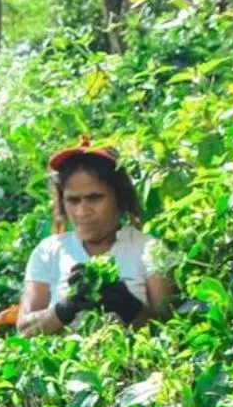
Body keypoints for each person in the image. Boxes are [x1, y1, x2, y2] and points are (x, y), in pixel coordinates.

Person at [14, 142, 175, 331]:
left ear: (119, 198)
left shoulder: (149, 249)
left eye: (95, 198)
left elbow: (170, 328)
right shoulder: (48, 253)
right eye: (73, 200)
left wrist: (128, 306)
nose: (83, 211)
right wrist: (66, 307)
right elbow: (24, 329)